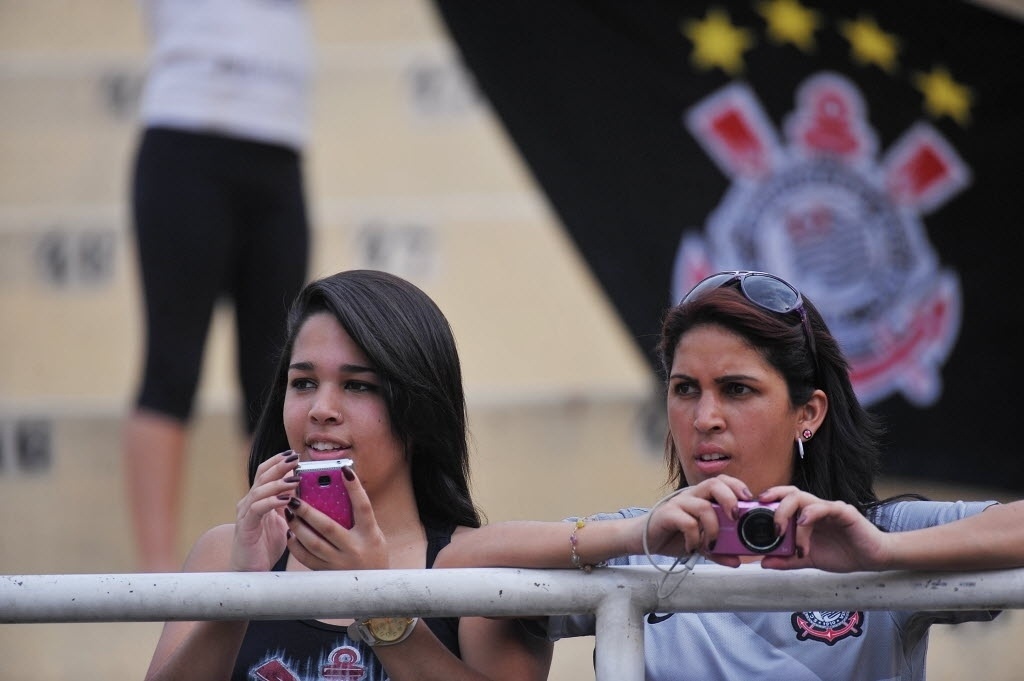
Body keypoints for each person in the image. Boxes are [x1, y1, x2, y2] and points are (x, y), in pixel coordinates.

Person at [437, 270, 1024, 680]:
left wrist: (882, 551)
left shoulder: (875, 533)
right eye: (684, 389)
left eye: (737, 390)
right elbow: (451, 557)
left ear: (808, 412)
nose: (705, 418)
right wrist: (632, 536)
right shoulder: (645, 540)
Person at [143, 269, 553, 681]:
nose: (321, 408)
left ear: (419, 407)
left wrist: (379, 605)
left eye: (357, 386)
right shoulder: (223, 554)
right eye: (303, 383)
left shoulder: (476, 568)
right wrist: (240, 595)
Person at [123, 0, 313, 572]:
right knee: (171, 368)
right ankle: (157, 585)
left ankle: (280, 564)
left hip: (281, 144)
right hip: (187, 133)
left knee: (273, 378)